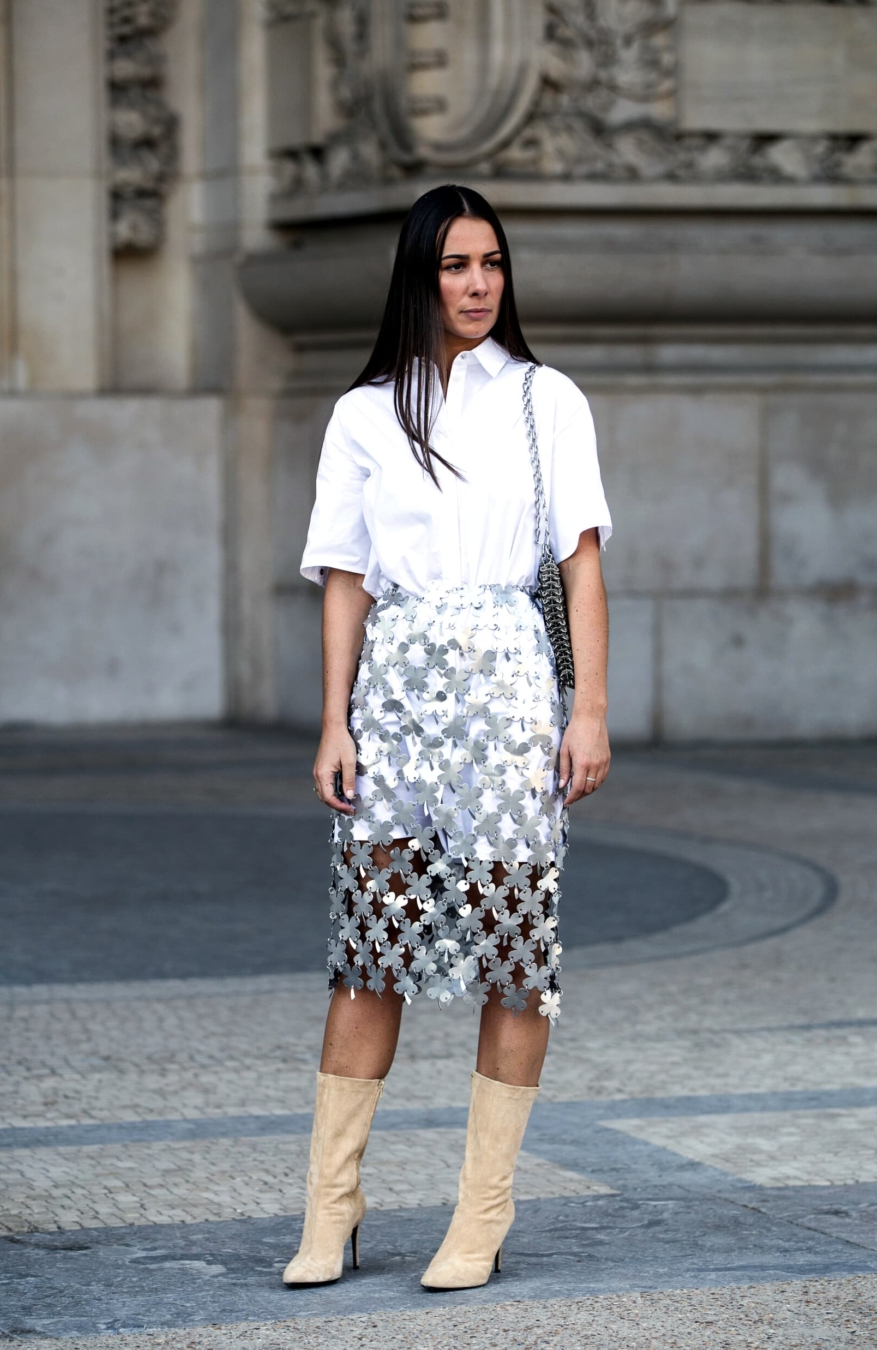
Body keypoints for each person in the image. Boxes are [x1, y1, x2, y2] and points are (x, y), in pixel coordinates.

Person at [283, 183, 612, 1291]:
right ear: (419, 276)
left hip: (514, 692)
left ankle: (481, 1217)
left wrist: (591, 709)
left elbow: (581, 563)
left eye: (492, 265)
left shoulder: (546, 398)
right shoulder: (363, 412)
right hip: (397, 699)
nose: (477, 286)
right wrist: (333, 719)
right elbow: (343, 578)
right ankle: (331, 1210)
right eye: (455, 266)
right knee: (366, 952)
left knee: (516, 959)